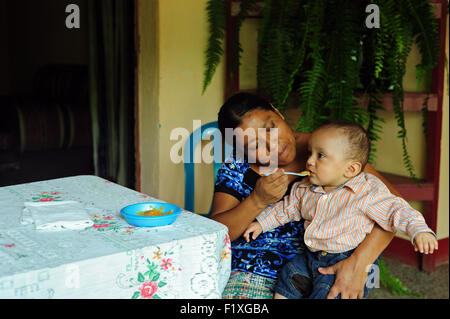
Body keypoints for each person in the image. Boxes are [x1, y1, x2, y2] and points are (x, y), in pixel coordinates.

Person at [210, 92, 401, 299]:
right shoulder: (238, 167)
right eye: (254, 146)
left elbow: (394, 208)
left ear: (277, 112)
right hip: (254, 270)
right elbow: (218, 233)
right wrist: (258, 201)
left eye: (271, 129)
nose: (272, 145)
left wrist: (359, 263)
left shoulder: (329, 149)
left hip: (328, 264)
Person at [243, 121, 438, 299]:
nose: (309, 161)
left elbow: (397, 210)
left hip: (345, 257)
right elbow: (285, 209)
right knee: (289, 275)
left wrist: (419, 231)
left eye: (320, 156)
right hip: (311, 256)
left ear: (350, 170)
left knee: (328, 292)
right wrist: (261, 223)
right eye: (310, 153)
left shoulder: (367, 190)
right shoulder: (304, 188)